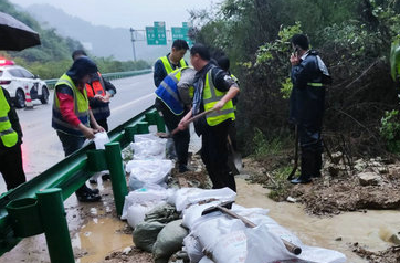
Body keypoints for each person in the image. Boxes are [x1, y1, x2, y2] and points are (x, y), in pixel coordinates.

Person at [178, 44, 240, 191]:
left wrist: (222, 101)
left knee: (219, 160)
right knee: (207, 157)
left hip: (219, 124)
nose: (190, 61)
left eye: (191, 57)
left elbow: (235, 87)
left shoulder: (215, 73)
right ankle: (218, 189)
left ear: (196, 56)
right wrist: (187, 118)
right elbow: (198, 103)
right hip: (207, 126)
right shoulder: (200, 75)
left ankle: (227, 194)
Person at [52, 56, 105, 201]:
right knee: (74, 162)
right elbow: (67, 113)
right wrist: (84, 129)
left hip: (79, 128)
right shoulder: (65, 86)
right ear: (82, 72)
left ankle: (83, 187)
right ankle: (81, 193)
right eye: (88, 75)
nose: (89, 78)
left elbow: (86, 105)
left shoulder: (79, 83)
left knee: (81, 159)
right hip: (68, 130)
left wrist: (94, 125)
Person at [289, 34, 330, 184]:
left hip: (307, 107)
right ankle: (316, 171)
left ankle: (306, 176)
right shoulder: (316, 59)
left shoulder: (308, 61)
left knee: (307, 140)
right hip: (315, 105)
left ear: (296, 47)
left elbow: (298, 81)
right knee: (315, 137)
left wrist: (294, 66)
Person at [72, 50, 116, 182]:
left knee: (103, 145)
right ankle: (94, 174)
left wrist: (108, 95)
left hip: (102, 116)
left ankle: (106, 170)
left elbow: (112, 88)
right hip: (88, 120)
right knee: (91, 147)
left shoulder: (98, 75)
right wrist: (94, 99)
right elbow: (83, 102)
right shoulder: (76, 80)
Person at [155, 67, 196, 172]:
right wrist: (189, 104)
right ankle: (182, 167)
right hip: (169, 103)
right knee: (183, 135)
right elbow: (182, 86)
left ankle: (180, 163)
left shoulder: (189, 71)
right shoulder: (193, 73)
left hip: (165, 101)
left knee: (180, 135)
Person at [154, 39, 190, 160]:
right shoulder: (161, 63)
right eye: (181, 53)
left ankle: (179, 157)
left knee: (183, 131)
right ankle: (173, 156)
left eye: (184, 54)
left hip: (181, 103)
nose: (181, 57)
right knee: (175, 131)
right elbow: (157, 82)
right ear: (173, 50)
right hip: (167, 104)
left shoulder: (184, 63)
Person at [217, 55, 240, 175]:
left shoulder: (230, 79)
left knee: (231, 141)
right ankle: (229, 165)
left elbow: (236, 98)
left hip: (228, 116)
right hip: (224, 116)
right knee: (226, 142)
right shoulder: (229, 78)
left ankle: (233, 164)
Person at [0, 87, 26, 191]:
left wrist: (18, 137)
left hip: (10, 145)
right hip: (8, 145)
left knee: (17, 185)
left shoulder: (2, 91)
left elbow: (12, 116)